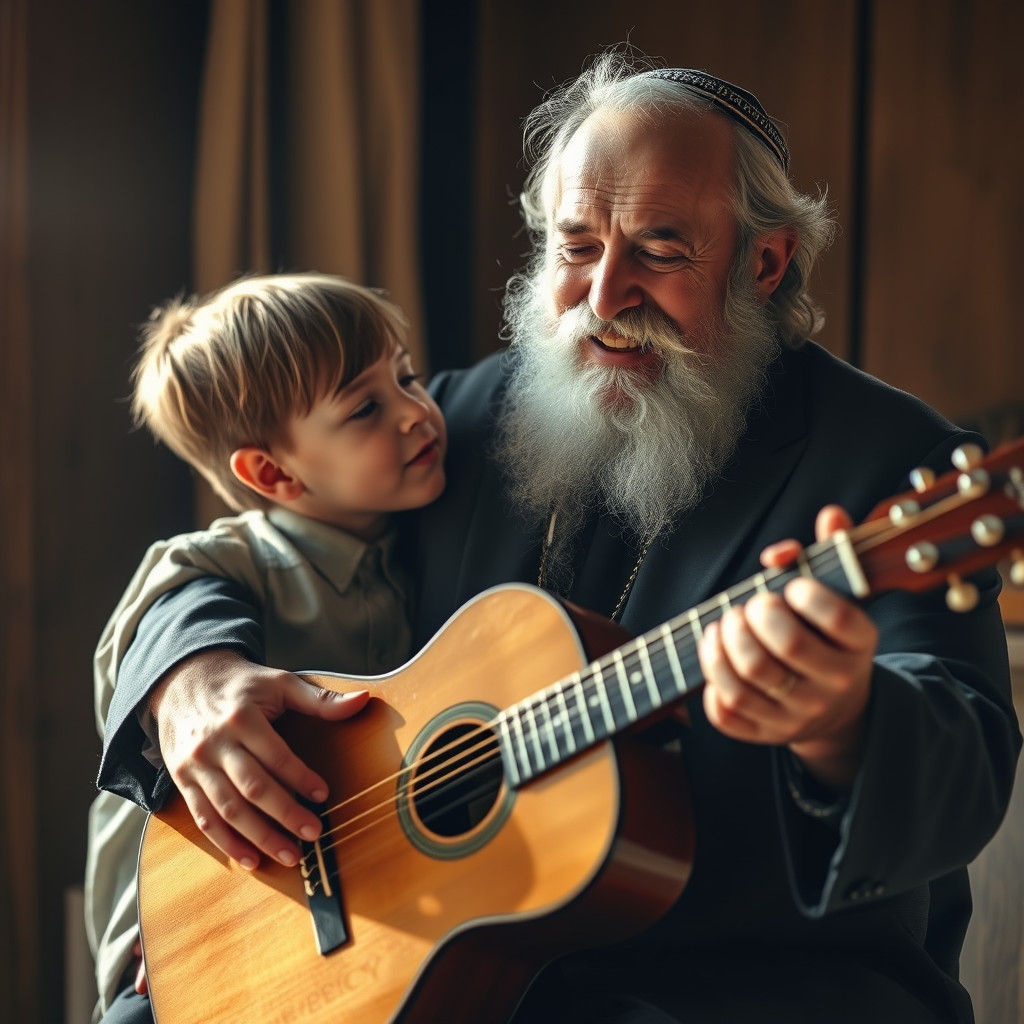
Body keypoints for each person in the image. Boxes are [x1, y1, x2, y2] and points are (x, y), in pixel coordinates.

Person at [95, 54, 1020, 1023]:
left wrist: (844, 721)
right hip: (446, 953)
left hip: (743, 981)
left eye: (658, 251)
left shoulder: (891, 459)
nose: (603, 293)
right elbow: (241, 555)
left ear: (764, 261)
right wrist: (186, 678)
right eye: (575, 246)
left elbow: (970, 761)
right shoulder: (465, 419)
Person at [85, 272, 446, 1021]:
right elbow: (146, 621)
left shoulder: (423, 540)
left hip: (343, 912)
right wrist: (189, 670)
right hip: (187, 935)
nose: (418, 412)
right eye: (366, 407)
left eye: (407, 375)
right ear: (272, 473)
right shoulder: (233, 561)